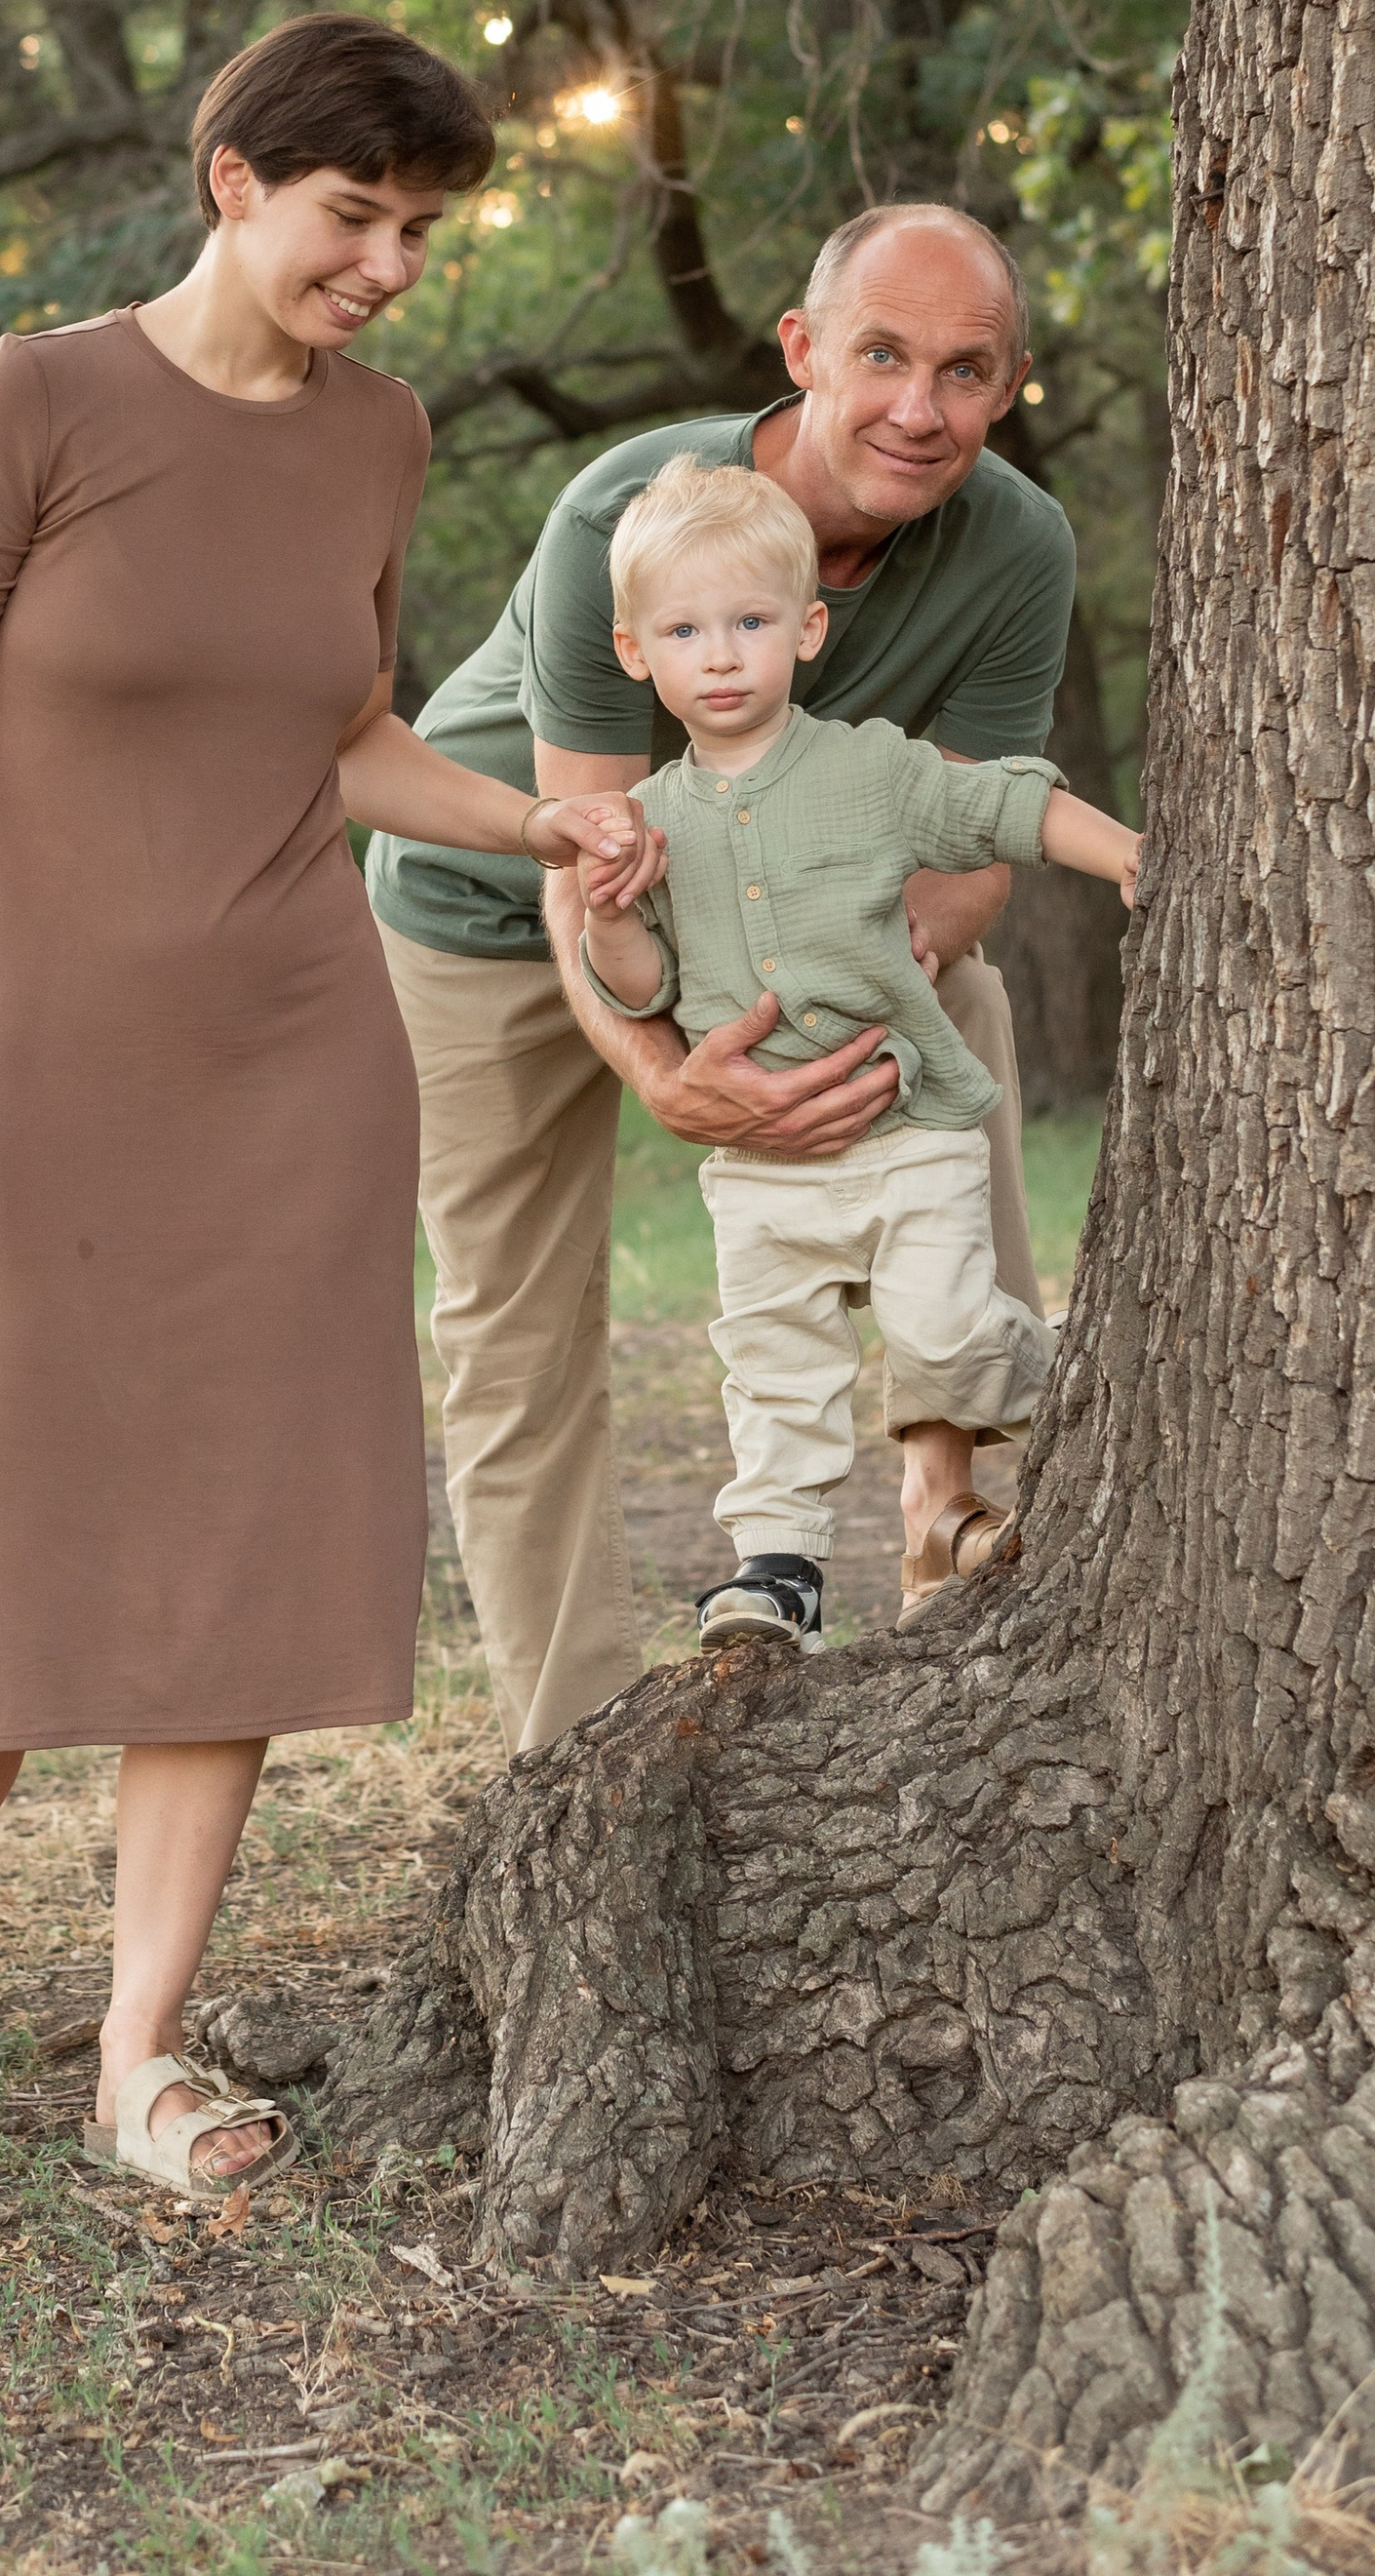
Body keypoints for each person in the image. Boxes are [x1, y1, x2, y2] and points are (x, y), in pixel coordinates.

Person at [0, 16, 652, 2198]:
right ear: (234, 179)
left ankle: (142, 2049)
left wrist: (520, 824)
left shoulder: (376, 435)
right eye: (354, 216)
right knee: (5, 1509)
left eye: (420, 230)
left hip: (295, 1057)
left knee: (242, 1541)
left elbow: (335, 729)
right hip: (48, 1055)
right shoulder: (38, 400)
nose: (387, 265)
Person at [366, 201, 1076, 1754]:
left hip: (791, 918)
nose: (918, 406)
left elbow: (963, 855)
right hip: (503, 911)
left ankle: (952, 1512)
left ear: (1008, 385)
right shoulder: (630, 505)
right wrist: (664, 1073)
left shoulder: (1013, 541)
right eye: (882, 354)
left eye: (965, 371)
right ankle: (584, 1753)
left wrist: (867, 983)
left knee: (962, 1011)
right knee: (515, 1329)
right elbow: (584, 844)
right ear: (804, 350)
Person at [574, 456, 1139, 1638]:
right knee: (774, 1366)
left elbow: (1004, 807)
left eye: (749, 622)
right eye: (684, 629)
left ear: (807, 629)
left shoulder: (870, 768)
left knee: (938, 1337)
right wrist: (612, 909)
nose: (719, 653)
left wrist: (1128, 852)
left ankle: (1069, 1371)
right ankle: (778, 1566)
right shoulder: (648, 822)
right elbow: (642, 984)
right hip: (760, 1169)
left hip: (906, 1129)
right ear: (636, 653)